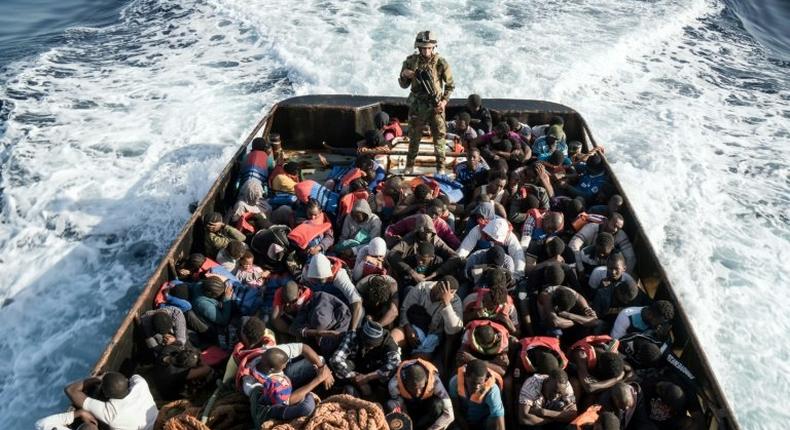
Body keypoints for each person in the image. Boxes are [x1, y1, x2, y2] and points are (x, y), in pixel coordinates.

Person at [399, 31, 454, 174]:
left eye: (429, 47)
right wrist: (405, 74)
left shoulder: (441, 63)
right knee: (414, 137)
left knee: (439, 137)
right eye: (423, 48)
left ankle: (441, 167)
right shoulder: (411, 61)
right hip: (418, 105)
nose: (426, 50)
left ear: (434, 47)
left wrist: (443, 102)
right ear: (418, 48)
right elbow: (403, 85)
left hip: (436, 105)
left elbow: (450, 86)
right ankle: (410, 165)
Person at [241, 347, 333, 428]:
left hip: (274, 393)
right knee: (308, 405)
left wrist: (321, 368)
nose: (285, 365)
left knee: (318, 360)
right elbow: (302, 406)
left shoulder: (270, 354)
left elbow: (303, 347)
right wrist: (319, 379)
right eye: (283, 365)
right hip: (271, 408)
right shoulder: (269, 407)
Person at [329, 319, 401, 397]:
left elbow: (394, 363)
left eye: (373, 345)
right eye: (367, 344)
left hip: (375, 373)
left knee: (391, 374)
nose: (369, 347)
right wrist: (355, 377)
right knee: (339, 368)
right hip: (355, 369)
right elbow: (336, 359)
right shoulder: (353, 335)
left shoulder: (389, 343)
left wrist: (367, 377)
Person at [63, 372, 158, 430]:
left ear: (106, 394)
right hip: (159, 423)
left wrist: (97, 379)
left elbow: (70, 390)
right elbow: (133, 377)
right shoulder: (141, 384)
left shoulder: (112, 413)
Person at [387, 358, 454, 430]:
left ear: (425, 381)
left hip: (427, 408)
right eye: (413, 388)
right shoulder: (394, 384)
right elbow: (400, 406)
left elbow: (450, 415)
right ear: (405, 383)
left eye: (421, 387)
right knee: (391, 404)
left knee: (437, 404)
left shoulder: (434, 380)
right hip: (409, 407)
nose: (418, 392)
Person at [303, 253, 363, 329]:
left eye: (321, 280)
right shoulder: (307, 271)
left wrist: (352, 330)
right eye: (315, 280)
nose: (318, 282)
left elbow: (357, 301)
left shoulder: (340, 276)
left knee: (360, 314)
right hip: (319, 299)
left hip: (338, 299)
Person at [289, 291, 352, 356]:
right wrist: (311, 332)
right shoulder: (305, 308)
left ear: (300, 293)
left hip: (338, 325)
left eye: (292, 302)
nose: (290, 306)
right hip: (324, 329)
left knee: (329, 350)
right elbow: (292, 329)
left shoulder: (320, 304)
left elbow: (321, 324)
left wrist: (308, 330)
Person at [569, 212, 636, 273]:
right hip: (584, 260)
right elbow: (573, 244)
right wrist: (580, 268)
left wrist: (620, 277)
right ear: (606, 221)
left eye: (618, 228)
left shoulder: (620, 235)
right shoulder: (592, 227)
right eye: (614, 225)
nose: (615, 230)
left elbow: (631, 258)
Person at [448, 359, 505, 430]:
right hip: (463, 421)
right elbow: (454, 408)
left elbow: (499, 418)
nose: (477, 387)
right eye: (473, 383)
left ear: (485, 379)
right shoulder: (454, 383)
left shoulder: (492, 390)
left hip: (484, 423)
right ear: (465, 377)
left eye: (480, 384)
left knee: (493, 421)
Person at [457, 217, 526, 273]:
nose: (494, 241)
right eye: (491, 238)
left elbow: (518, 255)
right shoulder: (478, 230)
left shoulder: (510, 237)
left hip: (500, 266)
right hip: (479, 261)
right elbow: (463, 249)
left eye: (496, 240)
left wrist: (517, 275)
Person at [610, 300, 675, 340]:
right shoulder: (626, 317)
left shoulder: (656, 320)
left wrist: (660, 336)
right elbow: (614, 342)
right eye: (658, 323)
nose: (659, 326)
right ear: (650, 315)